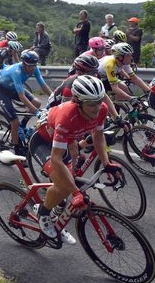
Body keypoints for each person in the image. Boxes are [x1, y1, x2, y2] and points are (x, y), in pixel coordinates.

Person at [34, 75, 122, 239]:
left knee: (69, 181)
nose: (97, 107)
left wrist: (106, 163)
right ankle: (43, 213)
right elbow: (56, 158)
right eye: (90, 103)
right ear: (78, 101)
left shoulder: (102, 108)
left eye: (99, 100)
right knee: (65, 186)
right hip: (43, 143)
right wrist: (75, 193)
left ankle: (57, 212)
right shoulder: (67, 117)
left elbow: (98, 136)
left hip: (67, 140)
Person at [0, 50, 52, 156]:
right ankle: (17, 149)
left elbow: (43, 85)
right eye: (30, 66)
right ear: (23, 63)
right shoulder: (17, 71)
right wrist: (37, 113)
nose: (32, 68)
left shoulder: (34, 68)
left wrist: (54, 97)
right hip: (2, 90)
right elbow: (22, 97)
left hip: (14, 88)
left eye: (34, 65)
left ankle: (23, 125)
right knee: (14, 121)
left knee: (37, 103)